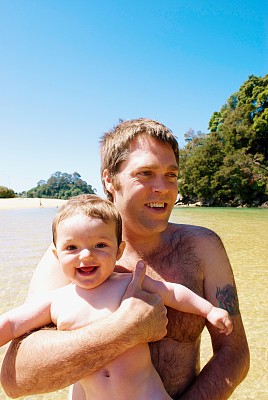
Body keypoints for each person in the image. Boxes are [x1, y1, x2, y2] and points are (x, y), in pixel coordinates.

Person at [1, 118, 249, 400]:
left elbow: (234, 353)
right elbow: (15, 380)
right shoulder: (70, 258)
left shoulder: (203, 246)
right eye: (145, 173)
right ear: (109, 179)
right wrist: (125, 329)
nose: (164, 188)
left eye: (171, 175)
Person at [0, 194, 233, 400]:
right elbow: (12, 323)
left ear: (118, 251)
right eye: (71, 248)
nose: (86, 255)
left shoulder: (128, 283)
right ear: (56, 254)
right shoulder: (56, 300)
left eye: (100, 245)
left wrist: (209, 310)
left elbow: (172, 292)